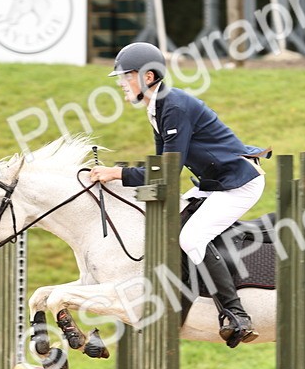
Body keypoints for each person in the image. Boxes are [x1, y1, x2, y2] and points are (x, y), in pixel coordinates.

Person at [88, 42, 267, 348]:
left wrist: (117, 173)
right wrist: (121, 178)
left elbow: (169, 172)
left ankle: (235, 315)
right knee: (168, 227)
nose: (120, 84)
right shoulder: (157, 107)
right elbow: (163, 168)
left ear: (147, 77)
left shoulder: (173, 107)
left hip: (238, 183)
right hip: (213, 182)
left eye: (126, 76)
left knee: (192, 238)